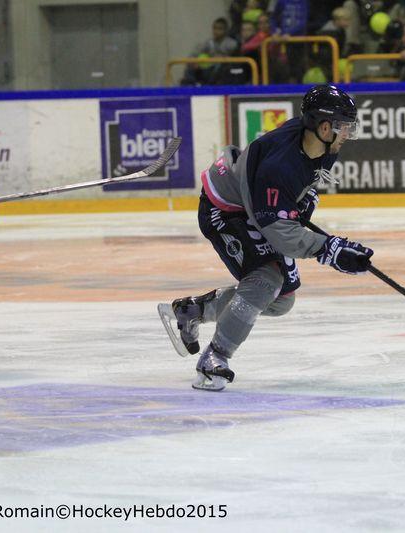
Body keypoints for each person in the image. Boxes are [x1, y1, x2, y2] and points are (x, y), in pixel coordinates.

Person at [158, 85, 373, 391]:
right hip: (225, 209)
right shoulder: (281, 166)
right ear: (326, 127)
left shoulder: (320, 145)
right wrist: (330, 250)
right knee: (266, 280)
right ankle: (214, 358)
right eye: (345, 128)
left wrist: (302, 206)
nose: (347, 135)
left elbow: (294, 197)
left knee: (282, 300)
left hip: (252, 206)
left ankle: (194, 309)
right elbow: (282, 234)